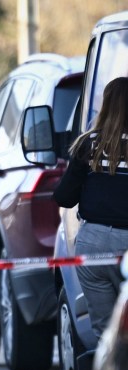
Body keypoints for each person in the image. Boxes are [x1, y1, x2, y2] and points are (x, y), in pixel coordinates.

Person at [54, 76, 128, 340]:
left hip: (93, 244)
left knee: (104, 330)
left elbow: (63, 197)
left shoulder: (88, 144)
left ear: (105, 105)